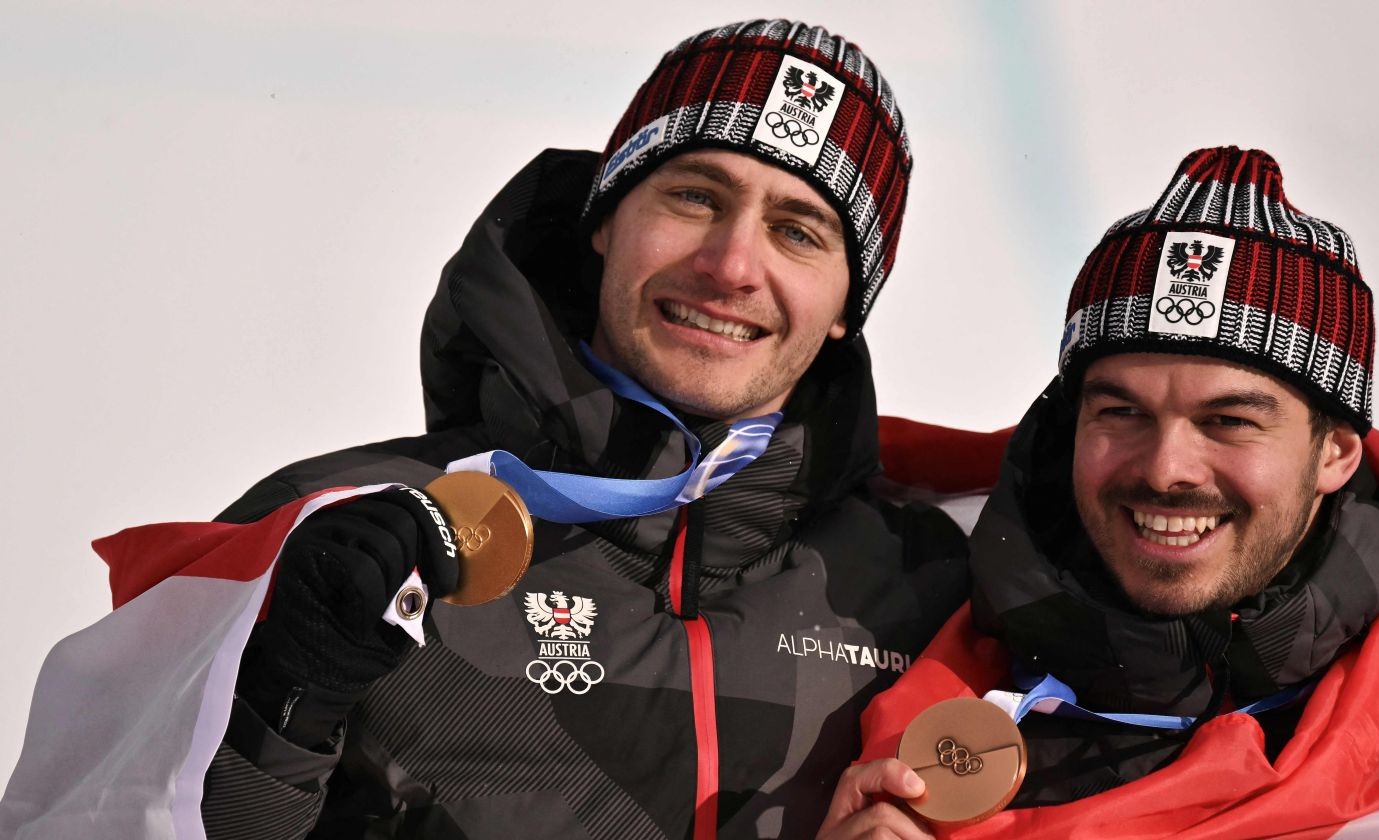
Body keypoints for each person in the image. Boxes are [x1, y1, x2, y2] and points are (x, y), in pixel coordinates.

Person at [176, 19, 968, 840]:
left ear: (845, 307)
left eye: (797, 232)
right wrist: (283, 708)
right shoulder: (337, 527)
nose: (732, 265)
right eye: (696, 196)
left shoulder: (937, 591)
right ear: (606, 220)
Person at [818, 147, 1379, 839]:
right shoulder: (897, 576)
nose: (1166, 469)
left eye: (1229, 421)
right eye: (1122, 412)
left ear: (1336, 453)